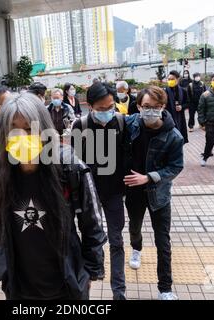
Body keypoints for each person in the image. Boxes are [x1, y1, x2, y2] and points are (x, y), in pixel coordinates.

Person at [0, 93, 107, 300]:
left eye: (30, 128)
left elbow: (92, 223)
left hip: (67, 284)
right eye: (14, 129)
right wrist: (0, 265)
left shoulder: (70, 168)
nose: (22, 136)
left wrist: (90, 273)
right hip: (19, 287)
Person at [124, 86, 184, 300]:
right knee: (134, 227)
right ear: (139, 106)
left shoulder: (173, 135)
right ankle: (136, 248)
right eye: (146, 107)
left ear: (163, 107)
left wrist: (149, 177)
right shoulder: (130, 124)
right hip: (133, 191)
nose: (150, 111)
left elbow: (176, 167)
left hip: (158, 194)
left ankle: (165, 289)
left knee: (163, 241)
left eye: (155, 107)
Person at [71, 82, 127, 300]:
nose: (107, 112)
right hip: (88, 196)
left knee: (116, 241)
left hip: (113, 194)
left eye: (110, 107)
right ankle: (90, 281)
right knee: (90, 240)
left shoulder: (121, 122)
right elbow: (74, 162)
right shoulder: (81, 126)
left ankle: (119, 292)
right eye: (102, 109)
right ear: (90, 106)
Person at [164, 70, 189, 143]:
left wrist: (182, 107)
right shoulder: (164, 91)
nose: (170, 81)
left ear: (177, 80)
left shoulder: (183, 91)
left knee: (180, 137)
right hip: (168, 118)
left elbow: (188, 103)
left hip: (180, 118)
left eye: (172, 79)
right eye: (169, 79)